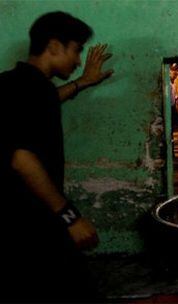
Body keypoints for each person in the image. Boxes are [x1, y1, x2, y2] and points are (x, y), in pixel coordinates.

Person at [0, 11, 113, 301]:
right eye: (76, 50)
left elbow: (45, 102)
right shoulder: (34, 89)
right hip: (33, 221)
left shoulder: (14, 84)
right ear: (53, 46)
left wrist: (84, 82)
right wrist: (70, 217)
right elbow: (21, 158)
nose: (78, 61)